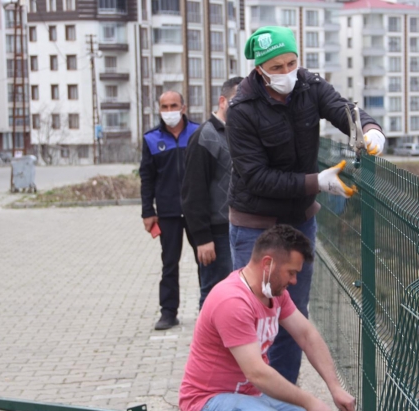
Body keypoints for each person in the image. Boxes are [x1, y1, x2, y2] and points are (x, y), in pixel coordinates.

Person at [226, 26, 387, 383]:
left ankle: (283, 394)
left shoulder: (309, 86)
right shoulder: (241, 110)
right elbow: (256, 177)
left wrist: (369, 128)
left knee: (293, 314)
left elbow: (342, 108)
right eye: (277, 67)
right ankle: (249, 395)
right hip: (255, 225)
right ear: (260, 70)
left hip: (298, 223)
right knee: (254, 313)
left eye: (292, 63)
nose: (286, 73)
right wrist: (317, 182)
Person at [179, 225, 355, 411]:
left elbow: (307, 335)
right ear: (267, 264)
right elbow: (257, 373)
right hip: (207, 400)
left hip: (251, 396)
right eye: (291, 272)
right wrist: (309, 401)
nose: (294, 281)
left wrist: (335, 388)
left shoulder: (275, 294)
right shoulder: (232, 301)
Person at [140, 91, 201, 330]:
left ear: (183, 107)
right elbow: (147, 178)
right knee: (169, 264)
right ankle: (168, 312)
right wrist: (147, 211)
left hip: (197, 211)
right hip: (167, 213)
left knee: (206, 262)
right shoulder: (151, 139)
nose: (169, 111)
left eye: (173, 105)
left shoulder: (198, 133)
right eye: (164, 107)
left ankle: (207, 308)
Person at [181, 77, 244, 309]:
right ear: (222, 101)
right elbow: (192, 193)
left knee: (234, 297)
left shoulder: (238, 133)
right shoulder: (205, 137)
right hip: (216, 235)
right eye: (238, 101)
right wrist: (202, 238)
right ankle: (207, 345)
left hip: (238, 229)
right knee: (214, 296)